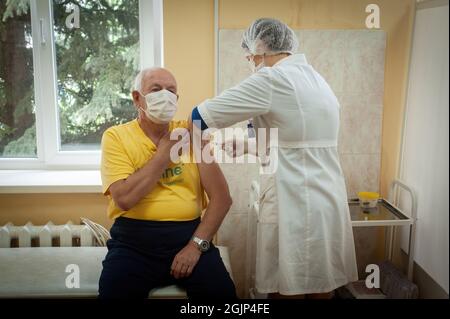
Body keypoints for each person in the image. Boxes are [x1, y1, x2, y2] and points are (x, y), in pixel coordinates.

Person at [190, 18, 358, 298]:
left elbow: (199, 117)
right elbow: (298, 141)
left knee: (287, 288)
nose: (250, 60)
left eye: (250, 55)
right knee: (322, 286)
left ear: (259, 48)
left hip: (295, 203)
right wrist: (246, 145)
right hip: (325, 199)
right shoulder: (315, 78)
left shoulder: (271, 79)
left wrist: (181, 143)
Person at [98, 67, 237, 299]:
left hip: (188, 236)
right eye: (156, 89)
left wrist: (195, 247)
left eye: (171, 91)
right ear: (136, 98)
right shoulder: (116, 137)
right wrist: (164, 155)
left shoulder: (192, 133)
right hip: (133, 245)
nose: (165, 95)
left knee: (222, 295)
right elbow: (123, 199)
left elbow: (222, 199)